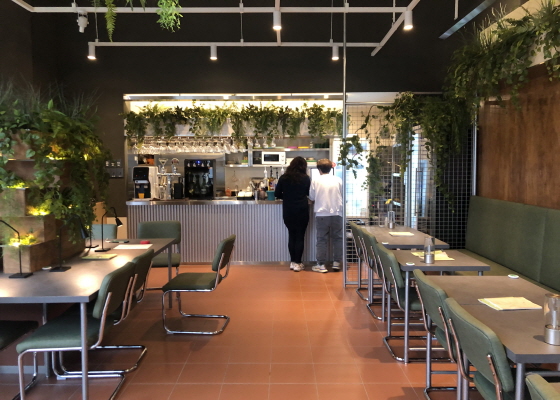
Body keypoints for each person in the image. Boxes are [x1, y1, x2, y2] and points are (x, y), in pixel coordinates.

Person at [274, 156, 311, 272]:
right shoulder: (306, 178)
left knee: (292, 235)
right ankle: (298, 263)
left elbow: (276, 194)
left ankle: (292, 262)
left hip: (288, 210)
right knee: (300, 236)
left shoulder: (284, 177)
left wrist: (287, 196)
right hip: (302, 210)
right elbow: (309, 193)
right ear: (303, 167)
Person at [309, 159, 343, 273]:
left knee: (321, 240)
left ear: (319, 169)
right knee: (338, 239)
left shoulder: (315, 180)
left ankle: (321, 265)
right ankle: (336, 263)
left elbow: (312, 197)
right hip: (337, 213)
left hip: (322, 214)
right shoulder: (338, 180)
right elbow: (342, 196)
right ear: (331, 168)